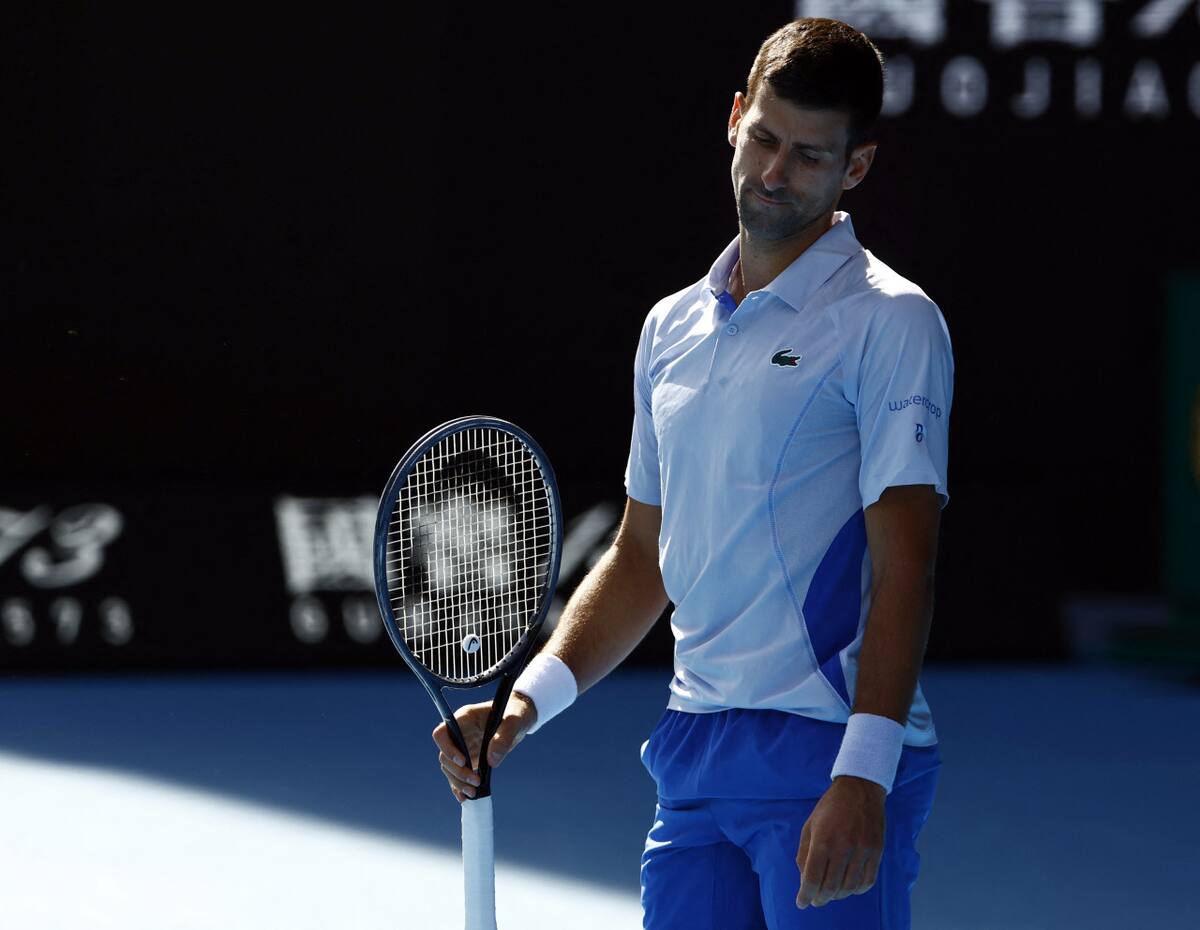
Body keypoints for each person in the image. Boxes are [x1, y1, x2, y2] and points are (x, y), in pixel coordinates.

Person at [433, 17, 953, 929]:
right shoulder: (669, 328)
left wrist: (864, 777)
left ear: (854, 170)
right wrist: (520, 709)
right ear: (734, 119)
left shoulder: (892, 322)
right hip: (694, 753)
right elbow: (643, 557)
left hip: (828, 752)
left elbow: (905, 562)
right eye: (764, 140)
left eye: (809, 156)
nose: (774, 173)